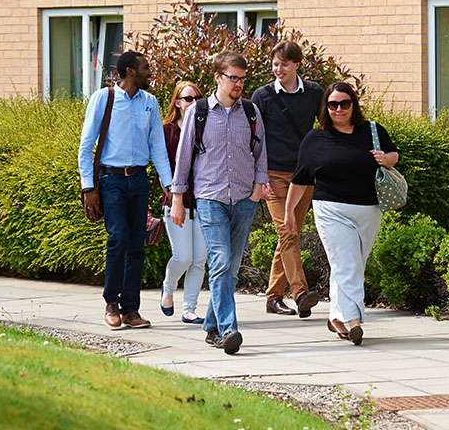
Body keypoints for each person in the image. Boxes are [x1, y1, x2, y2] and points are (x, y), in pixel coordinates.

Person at [282, 82, 399, 346]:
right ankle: (354, 322)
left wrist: (385, 159)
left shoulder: (371, 130)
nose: (338, 109)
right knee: (348, 266)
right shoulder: (315, 138)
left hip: (369, 210)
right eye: (333, 104)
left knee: (351, 265)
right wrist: (289, 212)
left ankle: (336, 317)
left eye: (344, 103)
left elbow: (393, 155)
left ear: (353, 105)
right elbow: (300, 179)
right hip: (331, 210)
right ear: (326, 107)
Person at [170, 51, 269, 355]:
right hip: (210, 198)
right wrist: (177, 198)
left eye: (242, 78)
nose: (239, 83)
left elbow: (261, 153)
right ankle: (229, 330)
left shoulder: (251, 112)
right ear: (217, 77)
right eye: (233, 77)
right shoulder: (199, 113)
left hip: (244, 199)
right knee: (221, 262)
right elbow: (184, 157)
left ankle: (212, 327)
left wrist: (256, 190)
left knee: (232, 267)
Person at [79, 51, 174, 330]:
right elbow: (86, 146)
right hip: (111, 180)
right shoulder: (104, 98)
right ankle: (111, 302)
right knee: (117, 238)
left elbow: (157, 147)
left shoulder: (150, 102)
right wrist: (89, 188)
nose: (150, 72)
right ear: (131, 71)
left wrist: (168, 185)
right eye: (145, 68)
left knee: (136, 244)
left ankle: (131, 309)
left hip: (139, 179)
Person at [250, 41, 324, 318]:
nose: (278, 68)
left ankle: (272, 298)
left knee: (289, 237)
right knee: (288, 233)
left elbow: (324, 129)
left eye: (283, 63)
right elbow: (253, 139)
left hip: (303, 176)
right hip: (274, 176)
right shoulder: (262, 96)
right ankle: (301, 293)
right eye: (275, 63)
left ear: (296, 64)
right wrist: (259, 177)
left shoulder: (314, 92)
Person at [158, 80, 206, 324]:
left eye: (197, 98)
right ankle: (168, 288)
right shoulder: (167, 130)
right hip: (177, 203)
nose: (193, 103)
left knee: (199, 259)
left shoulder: (205, 127)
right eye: (188, 98)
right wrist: (171, 197)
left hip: (204, 203)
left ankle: (190, 309)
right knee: (183, 256)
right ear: (177, 102)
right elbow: (162, 167)